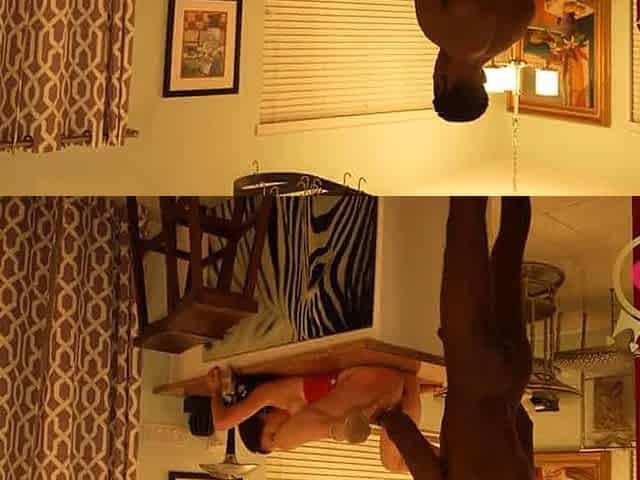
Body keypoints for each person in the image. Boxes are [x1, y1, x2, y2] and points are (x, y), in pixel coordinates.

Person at [374, 197, 535, 480]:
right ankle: (470, 171)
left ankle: (517, 175)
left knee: (509, 251)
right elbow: (418, 454)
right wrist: (385, 418)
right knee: (465, 232)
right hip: (472, 368)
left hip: (515, 375)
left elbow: (525, 426)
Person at [204, 366, 428, 472]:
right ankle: (445, 461)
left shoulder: (272, 394)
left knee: (285, 441)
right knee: (393, 464)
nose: (277, 438)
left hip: (372, 382)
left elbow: (221, 422)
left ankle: (340, 430)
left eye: (271, 435)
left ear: (262, 415)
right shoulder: (303, 415)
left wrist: (214, 392)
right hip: (394, 394)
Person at [414, 0, 536, 122]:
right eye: (434, 77)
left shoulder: (514, 33)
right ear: (441, 84)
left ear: (483, 79)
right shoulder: (436, 29)